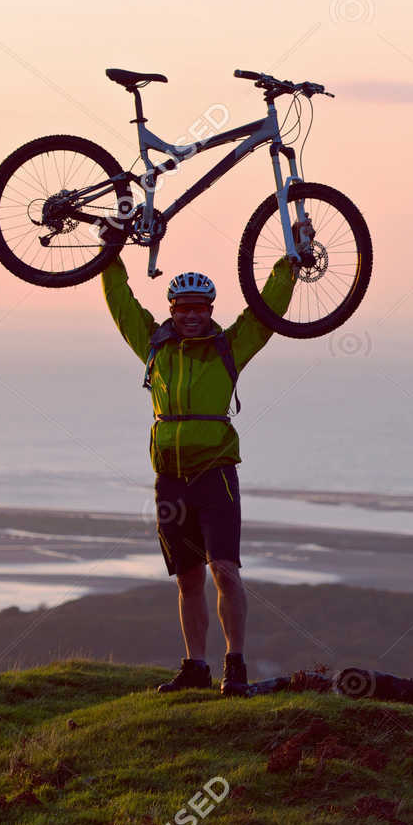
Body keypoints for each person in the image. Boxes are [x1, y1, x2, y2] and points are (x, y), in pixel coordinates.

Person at [102, 257, 294, 696]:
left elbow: (266, 311)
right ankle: (195, 666)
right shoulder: (154, 344)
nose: (191, 315)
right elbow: (120, 303)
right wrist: (108, 255)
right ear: (171, 310)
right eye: (183, 308)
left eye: (200, 308)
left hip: (216, 473)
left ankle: (236, 664)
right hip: (169, 475)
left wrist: (288, 265)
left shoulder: (230, 346)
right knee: (188, 578)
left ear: (210, 310)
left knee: (224, 570)